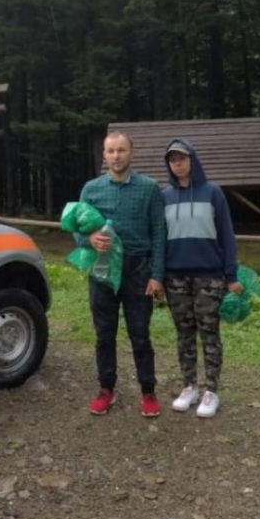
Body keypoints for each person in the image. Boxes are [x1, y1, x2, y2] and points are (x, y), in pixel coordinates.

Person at [76, 131, 166, 417]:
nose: (116, 156)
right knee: (104, 334)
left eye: (122, 150)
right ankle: (106, 389)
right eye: (111, 151)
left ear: (131, 153)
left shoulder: (150, 189)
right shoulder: (91, 189)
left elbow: (160, 234)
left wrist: (157, 275)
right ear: (104, 155)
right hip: (102, 269)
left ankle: (148, 391)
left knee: (140, 334)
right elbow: (76, 229)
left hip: (138, 269)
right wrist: (88, 240)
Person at [162, 138, 241, 418]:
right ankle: (189, 386)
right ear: (169, 165)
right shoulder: (165, 196)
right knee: (184, 334)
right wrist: (158, 276)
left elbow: (227, 235)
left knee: (209, 333)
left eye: (182, 158)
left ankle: (211, 391)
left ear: (192, 159)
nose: (178, 163)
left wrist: (231, 275)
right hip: (175, 278)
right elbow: (159, 239)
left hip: (210, 277)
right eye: (173, 159)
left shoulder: (213, 193)